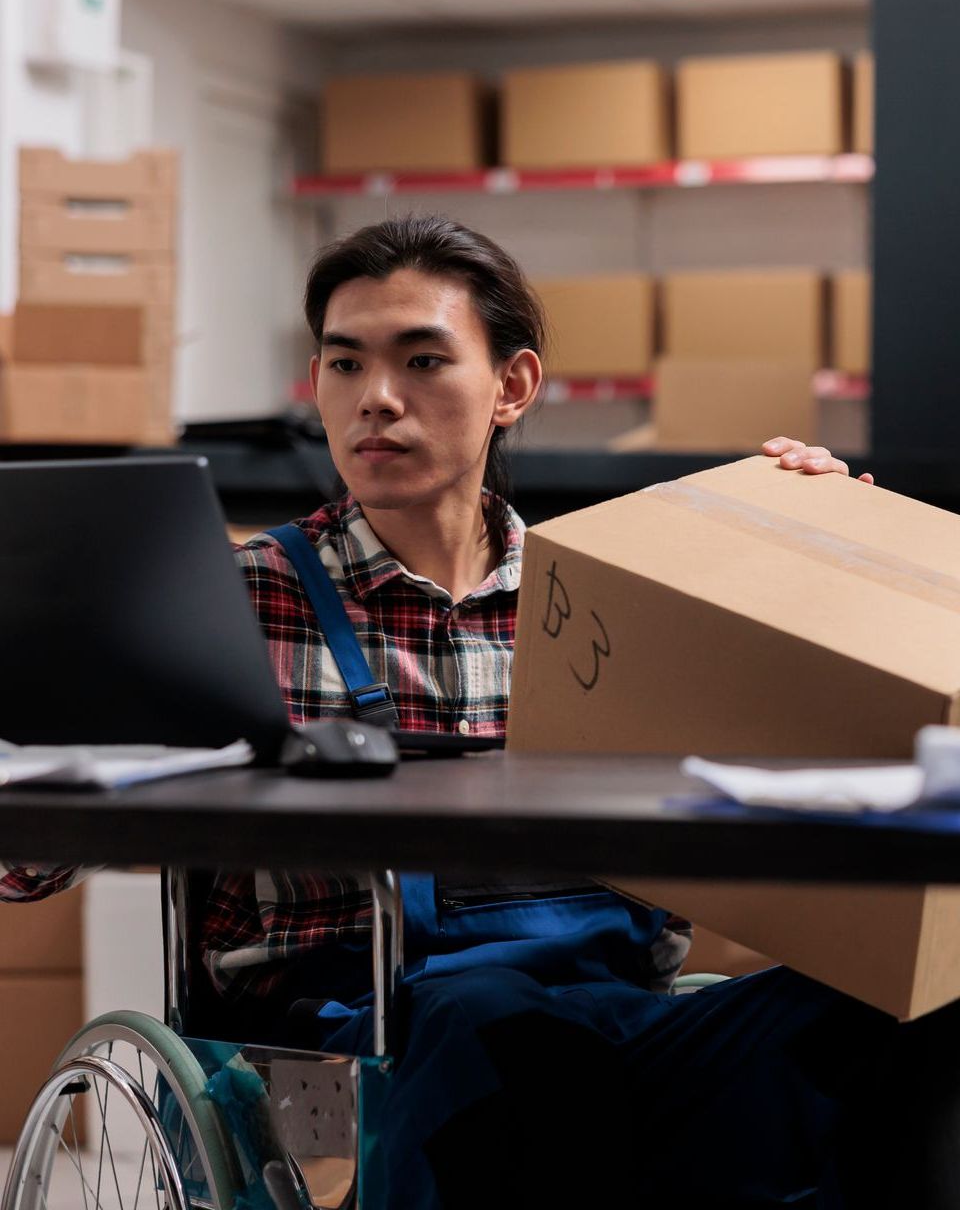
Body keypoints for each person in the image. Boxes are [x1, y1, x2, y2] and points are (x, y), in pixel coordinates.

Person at [5, 215, 938, 1210]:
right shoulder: (233, 602)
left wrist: (819, 553)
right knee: (488, 1015)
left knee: (904, 1018)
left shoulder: (626, 605)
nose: (378, 398)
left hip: (612, 1012)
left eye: (422, 359)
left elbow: (828, 751)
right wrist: (63, 658)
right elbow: (25, 864)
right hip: (362, 1028)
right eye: (345, 361)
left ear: (513, 386)